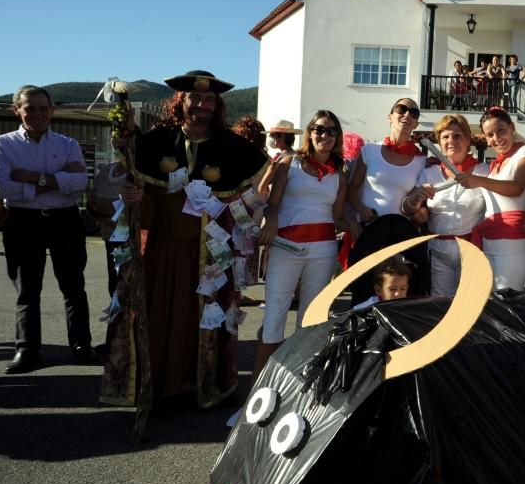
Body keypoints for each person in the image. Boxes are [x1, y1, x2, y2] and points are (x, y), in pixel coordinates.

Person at [100, 70, 268, 408]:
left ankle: (210, 385)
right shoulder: (153, 144)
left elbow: (246, 201)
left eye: (209, 100)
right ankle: (160, 386)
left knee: (208, 321)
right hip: (162, 253)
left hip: (210, 254)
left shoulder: (233, 149)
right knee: (161, 319)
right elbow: (143, 208)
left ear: (217, 106)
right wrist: (134, 195)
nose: (202, 104)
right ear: (181, 102)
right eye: (195, 98)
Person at [0, 85, 96, 374]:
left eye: (42, 108)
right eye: (30, 108)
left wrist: (32, 178)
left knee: (74, 286)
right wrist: (59, 180)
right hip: (23, 222)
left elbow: (81, 183)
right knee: (27, 289)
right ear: (17, 111)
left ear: (52, 110)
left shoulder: (67, 144)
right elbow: (2, 186)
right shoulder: (2, 144)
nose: (37, 114)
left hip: (65, 219)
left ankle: (81, 345)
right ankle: (27, 350)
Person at [256, 110, 354, 377]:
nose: (325, 135)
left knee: (312, 320)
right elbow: (271, 206)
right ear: (310, 132)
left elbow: (336, 218)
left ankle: (299, 389)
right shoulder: (289, 162)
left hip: (323, 251)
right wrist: (272, 221)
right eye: (320, 129)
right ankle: (257, 391)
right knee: (274, 315)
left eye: (331, 130)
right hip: (285, 248)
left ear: (337, 137)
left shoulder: (340, 174)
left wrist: (361, 225)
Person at [400, 114, 486, 296]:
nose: (451, 141)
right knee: (440, 305)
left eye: (457, 136)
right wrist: (416, 203)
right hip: (438, 251)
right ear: (439, 142)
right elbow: (411, 211)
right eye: (445, 137)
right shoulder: (428, 173)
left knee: (468, 304)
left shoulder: (484, 172)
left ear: (468, 139)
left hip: (472, 251)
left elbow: (503, 204)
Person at [455, 108, 525, 291]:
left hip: (513, 244)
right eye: (490, 134)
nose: (496, 138)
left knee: (506, 304)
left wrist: (479, 181)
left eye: (501, 130)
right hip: (490, 241)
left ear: (512, 127)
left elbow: (517, 188)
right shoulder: (495, 164)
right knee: (489, 301)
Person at [347, 98, 426, 223]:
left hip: (400, 236)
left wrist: (421, 213)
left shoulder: (421, 161)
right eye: (401, 109)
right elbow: (351, 190)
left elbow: (421, 204)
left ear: (416, 123)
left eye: (414, 113)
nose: (407, 115)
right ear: (390, 117)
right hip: (368, 230)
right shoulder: (369, 150)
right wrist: (362, 209)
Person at [88, 156, 129, 297]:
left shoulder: (140, 172)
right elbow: (90, 202)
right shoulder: (106, 171)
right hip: (111, 238)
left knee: (127, 283)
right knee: (115, 282)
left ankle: (127, 318)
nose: (118, 142)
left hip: (131, 240)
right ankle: (117, 317)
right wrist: (102, 217)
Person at [257, 119, 301, 195]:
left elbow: (261, 188)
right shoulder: (300, 156)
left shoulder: (278, 159)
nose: (269, 137)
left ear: (282, 136)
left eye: (272, 135)